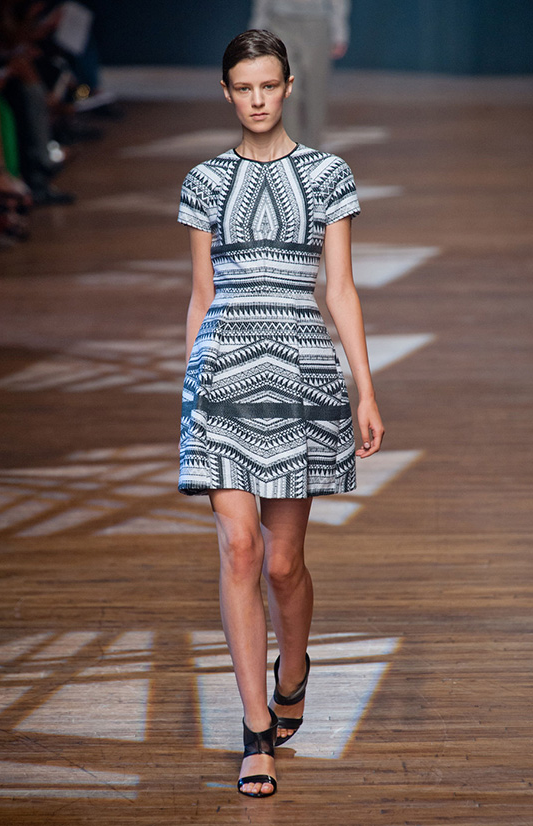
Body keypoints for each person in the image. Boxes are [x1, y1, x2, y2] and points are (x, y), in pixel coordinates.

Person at [177, 29, 384, 798]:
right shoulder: (204, 181)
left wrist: (365, 388)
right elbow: (200, 296)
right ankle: (255, 730)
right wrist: (190, 394)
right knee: (238, 548)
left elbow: (340, 290)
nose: (257, 100)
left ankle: (293, 668)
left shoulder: (328, 174)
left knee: (282, 562)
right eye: (244, 88)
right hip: (223, 373)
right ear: (226, 92)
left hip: (302, 373)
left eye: (268, 86)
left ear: (288, 87)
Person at [249, 0, 352, 148]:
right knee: (286, 89)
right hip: (280, 21)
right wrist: (257, 29)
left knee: (314, 93)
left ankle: (312, 150)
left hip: (317, 21)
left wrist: (339, 31)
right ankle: (290, 151)